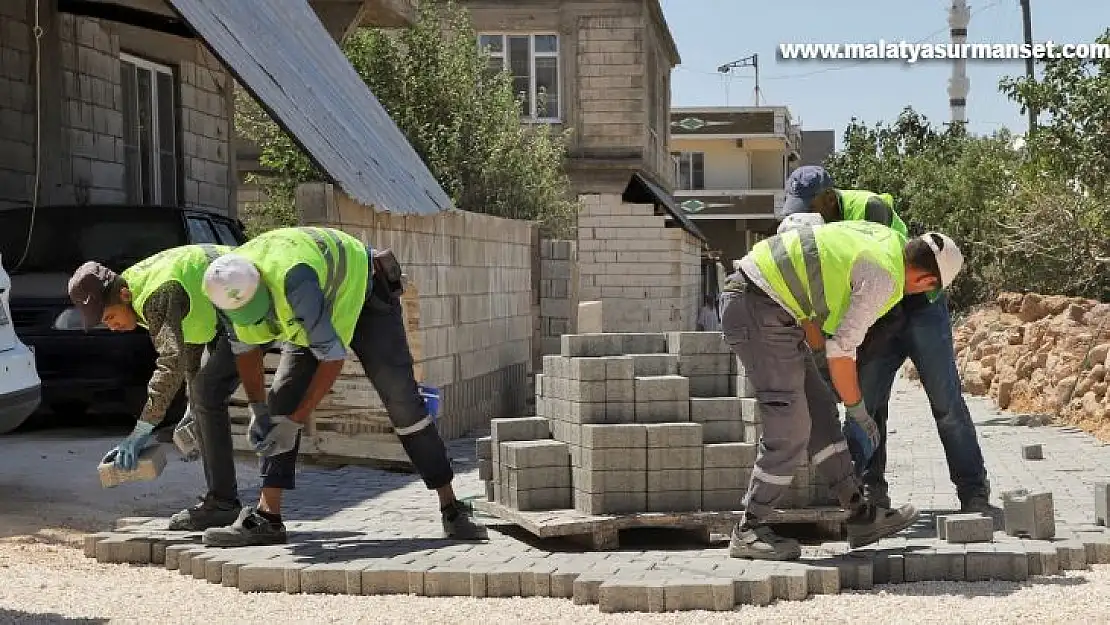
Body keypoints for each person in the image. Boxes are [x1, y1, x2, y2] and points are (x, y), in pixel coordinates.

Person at [196, 226, 486, 547]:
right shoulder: (226, 287)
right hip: (317, 299)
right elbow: (246, 349)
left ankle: (452, 509)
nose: (256, 318)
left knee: (401, 400)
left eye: (258, 309)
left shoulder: (294, 282)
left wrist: (294, 422)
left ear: (261, 285)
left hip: (364, 294)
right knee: (281, 397)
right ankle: (267, 518)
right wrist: (259, 409)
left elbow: (332, 358)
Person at [720, 215, 964, 560]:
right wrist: (859, 410)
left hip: (773, 307)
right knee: (790, 427)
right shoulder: (885, 278)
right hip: (757, 306)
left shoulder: (887, 240)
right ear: (926, 280)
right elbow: (840, 353)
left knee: (820, 412)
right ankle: (749, 528)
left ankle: (859, 513)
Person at [781, 165, 991, 513]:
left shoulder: (869, 208)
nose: (806, 221)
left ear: (829, 200)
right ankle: (869, 492)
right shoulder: (819, 227)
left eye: (808, 211)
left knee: (946, 402)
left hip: (917, 303)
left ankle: (973, 490)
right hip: (878, 313)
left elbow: (883, 275)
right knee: (866, 404)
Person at [67, 245, 244, 531]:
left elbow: (170, 361)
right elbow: (189, 348)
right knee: (203, 398)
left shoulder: (155, 295)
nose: (110, 327)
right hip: (228, 309)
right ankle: (221, 501)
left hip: (246, 299)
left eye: (110, 317)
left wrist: (142, 429)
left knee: (207, 397)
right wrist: (191, 404)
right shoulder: (139, 290)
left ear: (123, 295)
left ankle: (224, 504)